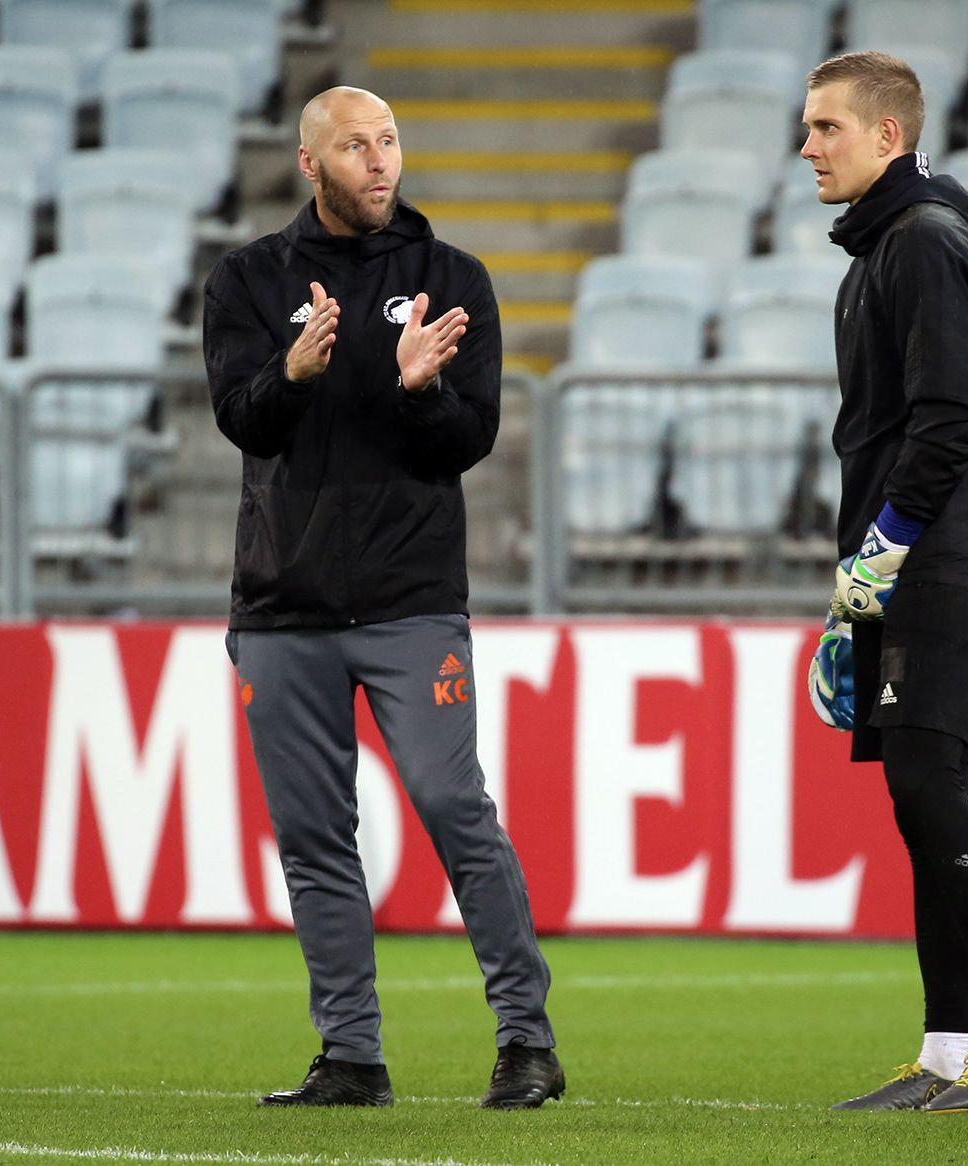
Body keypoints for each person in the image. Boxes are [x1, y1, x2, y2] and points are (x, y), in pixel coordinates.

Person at [204, 86, 564, 1110]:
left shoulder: (450, 280)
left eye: (390, 141)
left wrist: (422, 392)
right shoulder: (247, 281)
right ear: (310, 165)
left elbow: (470, 441)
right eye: (355, 146)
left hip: (410, 602)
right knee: (318, 838)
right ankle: (352, 1055)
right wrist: (294, 370)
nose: (379, 162)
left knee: (455, 806)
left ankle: (525, 1039)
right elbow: (246, 421)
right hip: (283, 607)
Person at [798, 51, 968, 1115]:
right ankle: (949, 1047)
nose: (807, 147)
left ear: (887, 137)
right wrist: (852, 578)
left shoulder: (921, 243)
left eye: (825, 128)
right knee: (916, 798)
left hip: (943, 547)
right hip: (904, 550)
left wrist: (883, 551)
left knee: (924, 785)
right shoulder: (880, 248)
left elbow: (949, 417)